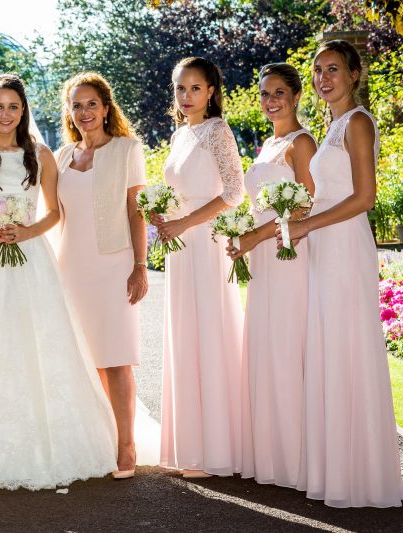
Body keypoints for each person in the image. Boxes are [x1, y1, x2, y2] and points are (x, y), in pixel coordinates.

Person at [0, 73, 117, 492]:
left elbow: (55, 214)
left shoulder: (40, 155)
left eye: (14, 107)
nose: (6, 114)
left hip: (33, 259)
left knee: (40, 343)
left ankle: (57, 446)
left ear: (24, 111)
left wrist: (24, 233)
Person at [279, 40, 403, 507]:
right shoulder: (330, 127)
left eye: (333, 69)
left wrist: (305, 225)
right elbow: (328, 191)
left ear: (355, 75)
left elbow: (365, 198)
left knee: (347, 348)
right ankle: (337, 471)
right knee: (328, 349)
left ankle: (364, 476)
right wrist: (293, 218)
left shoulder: (357, 124)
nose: (323, 78)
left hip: (346, 246)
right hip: (324, 245)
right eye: (316, 71)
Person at [54, 72, 148, 478]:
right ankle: (99, 441)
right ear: (69, 113)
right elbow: (51, 215)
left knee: (116, 357)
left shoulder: (127, 149)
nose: (85, 111)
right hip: (70, 266)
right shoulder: (61, 157)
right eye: (77, 105)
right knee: (85, 359)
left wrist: (140, 265)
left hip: (113, 264)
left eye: (92, 103)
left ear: (106, 108)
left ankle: (127, 446)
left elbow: (136, 210)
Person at [226, 64, 316, 489]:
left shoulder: (302, 144)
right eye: (264, 93)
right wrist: (240, 235)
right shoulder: (266, 145)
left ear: (297, 95)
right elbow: (263, 203)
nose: (270, 100)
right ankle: (271, 456)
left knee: (285, 348)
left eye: (279, 92)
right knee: (265, 348)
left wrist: (255, 236)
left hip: (288, 255)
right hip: (263, 256)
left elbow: (305, 207)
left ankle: (296, 462)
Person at [155, 57, 245, 478]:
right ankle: (190, 446)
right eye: (179, 88)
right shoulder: (179, 135)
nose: (186, 96)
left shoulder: (217, 131)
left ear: (211, 90)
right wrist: (160, 219)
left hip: (204, 244)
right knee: (185, 334)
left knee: (208, 331)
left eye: (194, 88)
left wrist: (184, 222)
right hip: (178, 246)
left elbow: (234, 192)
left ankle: (216, 450)